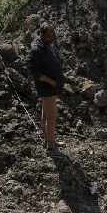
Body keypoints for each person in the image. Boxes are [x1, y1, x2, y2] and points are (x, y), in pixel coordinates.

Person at [28, 23, 65, 153]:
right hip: (46, 87)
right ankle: (51, 144)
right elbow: (35, 72)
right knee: (52, 116)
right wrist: (51, 82)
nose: (51, 37)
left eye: (52, 35)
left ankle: (48, 139)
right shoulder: (36, 49)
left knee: (46, 115)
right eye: (49, 35)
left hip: (52, 86)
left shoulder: (47, 45)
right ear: (42, 34)